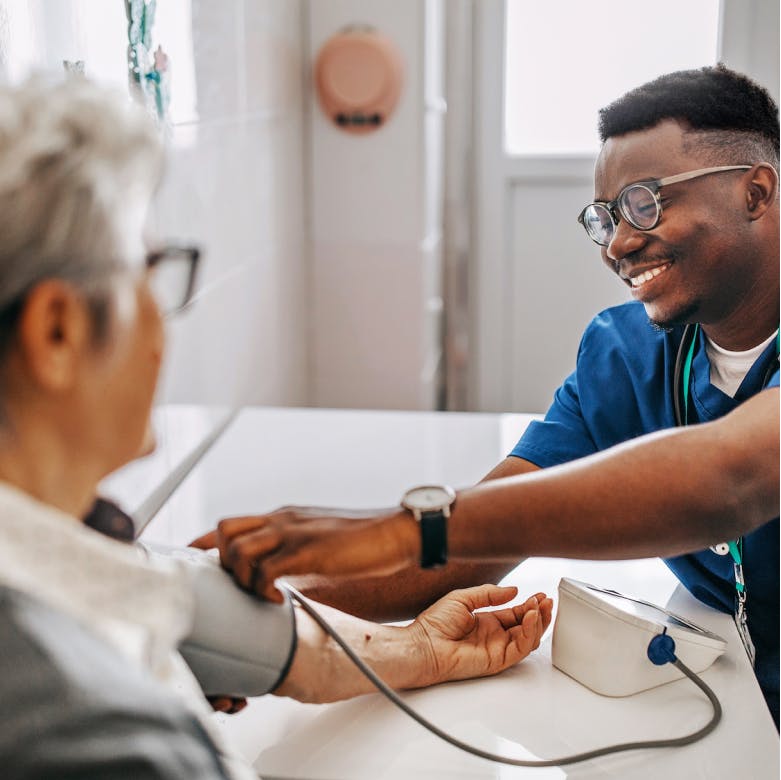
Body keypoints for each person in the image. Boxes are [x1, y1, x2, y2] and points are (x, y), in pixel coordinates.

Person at [0, 75, 553, 779]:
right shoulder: (93, 738)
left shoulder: (74, 547)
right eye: (150, 270)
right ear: (57, 329)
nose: (163, 321)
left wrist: (419, 650)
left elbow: (196, 606)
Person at [200, 65, 780, 727]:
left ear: (754, 191)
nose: (618, 243)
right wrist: (234, 611)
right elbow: (470, 548)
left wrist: (398, 526)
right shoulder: (624, 356)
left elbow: (727, 480)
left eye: (645, 202)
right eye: (605, 217)